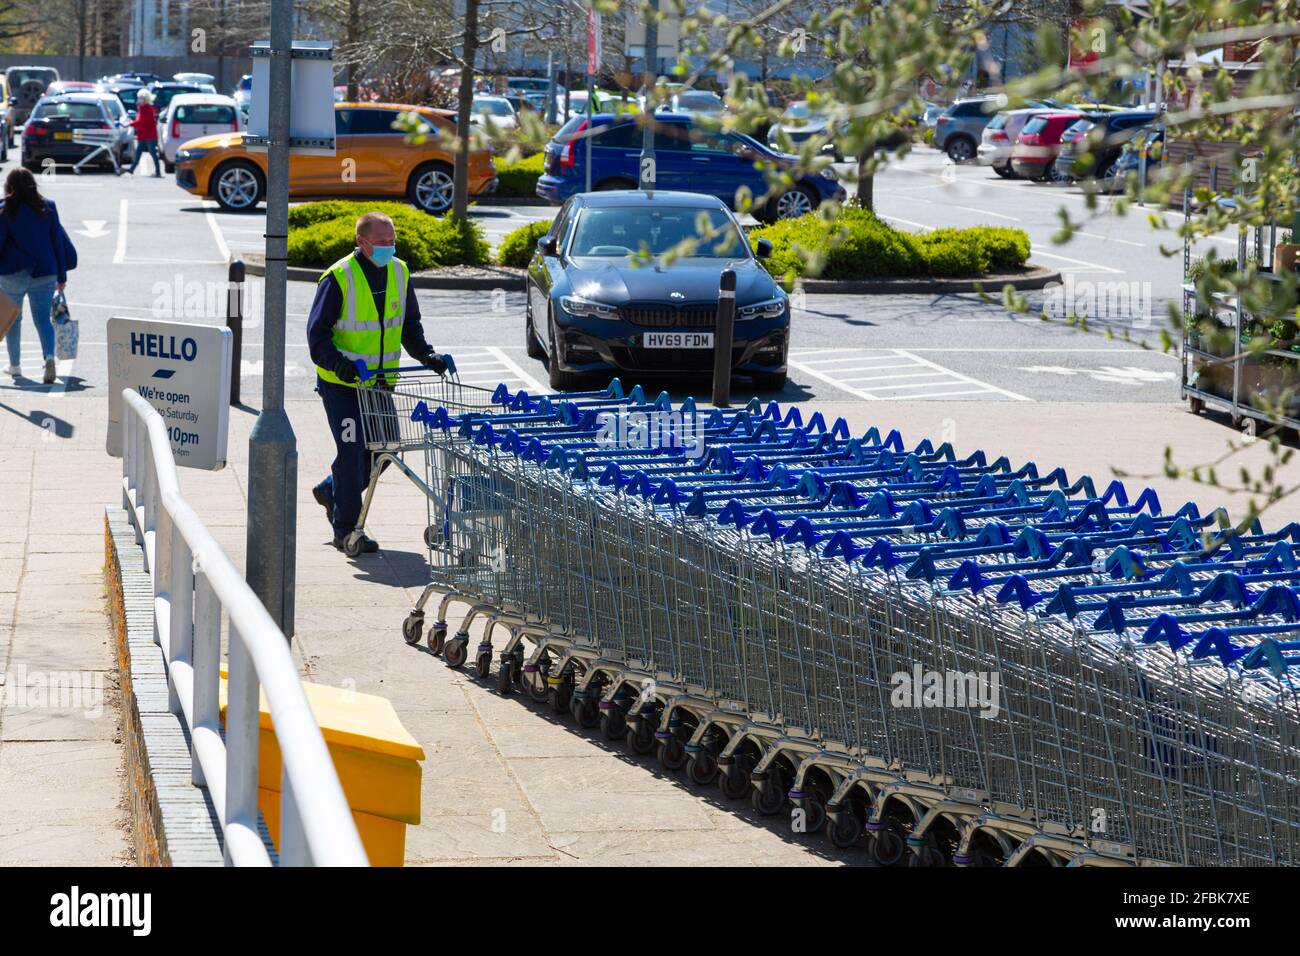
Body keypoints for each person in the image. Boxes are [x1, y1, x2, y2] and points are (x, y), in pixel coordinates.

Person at [307, 211, 447, 554]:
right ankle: (347, 530)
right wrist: (341, 366)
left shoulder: (399, 271)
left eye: (392, 240)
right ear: (362, 242)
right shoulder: (338, 277)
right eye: (382, 242)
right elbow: (317, 335)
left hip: (380, 384)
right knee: (352, 451)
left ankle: (332, 490)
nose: (389, 247)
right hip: (344, 386)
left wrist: (427, 355)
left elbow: (408, 323)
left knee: (385, 450)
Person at [0, 168, 75, 384]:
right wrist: (61, 275)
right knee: (43, 319)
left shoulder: (5, 209)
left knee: (13, 319)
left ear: (9, 186)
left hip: (12, 273)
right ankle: (49, 358)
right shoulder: (48, 207)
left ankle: (15, 366)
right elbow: (57, 243)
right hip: (45, 271)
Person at [129, 89, 162, 177]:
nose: (139, 100)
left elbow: (141, 121)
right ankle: (131, 169)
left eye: (141, 98)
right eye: (139, 98)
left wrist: (131, 123)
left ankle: (158, 172)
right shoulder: (141, 108)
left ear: (146, 99)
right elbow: (139, 120)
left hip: (149, 135)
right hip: (143, 135)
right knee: (138, 152)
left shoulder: (147, 109)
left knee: (153, 153)